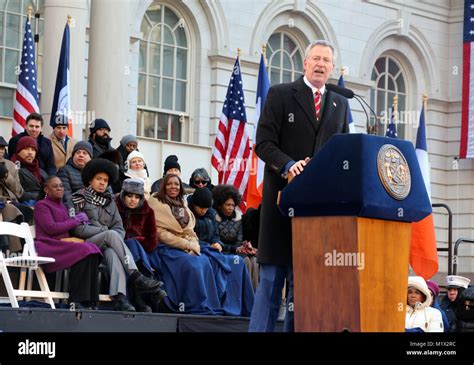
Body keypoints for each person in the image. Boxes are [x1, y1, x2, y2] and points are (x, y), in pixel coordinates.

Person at [250, 40, 350, 332]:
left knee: (303, 290)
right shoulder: (280, 95)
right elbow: (264, 143)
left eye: (326, 60)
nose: (320, 64)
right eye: (316, 58)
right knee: (270, 282)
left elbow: (342, 152)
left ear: (331, 68)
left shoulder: (340, 103)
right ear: (305, 63)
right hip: (281, 204)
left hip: (316, 212)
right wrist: (288, 164)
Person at [148, 174, 254, 316]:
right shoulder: (155, 204)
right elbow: (161, 233)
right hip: (167, 247)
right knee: (197, 263)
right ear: (164, 187)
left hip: (191, 245)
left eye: (177, 184)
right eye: (169, 184)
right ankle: (200, 305)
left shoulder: (182, 204)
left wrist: (193, 244)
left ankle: (238, 307)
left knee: (233, 261)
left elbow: (190, 231)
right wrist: (187, 245)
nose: (173, 187)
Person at [70, 158, 163, 312]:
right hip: (85, 242)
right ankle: (135, 276)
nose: (102, 183)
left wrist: (111, 236)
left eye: (105, 180)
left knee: (113, 252)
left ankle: (119, 298)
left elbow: (119, 227)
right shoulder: (78, 198)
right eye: (98, 179)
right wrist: (104, 232)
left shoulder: (109, 201)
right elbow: (77, 229)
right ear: (90, 180)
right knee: (111, 235)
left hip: (106, 243)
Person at [33, 176, 102, 309]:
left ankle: (91, 300)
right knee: (85, 250)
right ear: (46, 189)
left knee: (92, 249)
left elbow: (66, 229)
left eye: (61, 186)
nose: (59, 188)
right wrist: (76, 220)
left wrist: (72, 236)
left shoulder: (64, 206)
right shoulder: (41, 205)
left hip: (62, 244)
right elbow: (51, 228)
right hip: (48, 244)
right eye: (55, 186)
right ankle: (77, 299)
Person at [116, 178, 167, 312]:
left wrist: (137, 240)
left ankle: (137, 298)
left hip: (141, 252)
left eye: (137, 197)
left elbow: (152, 241)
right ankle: (148, 288)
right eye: (129, 196)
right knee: (131, 245)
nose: (133, 200)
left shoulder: (148, 211)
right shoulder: (115, 206)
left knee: (133, 245)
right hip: (116, 247)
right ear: (123, 195)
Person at [212, 184, 259, 290]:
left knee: (254, 261)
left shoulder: (238, 218)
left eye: (233, 205)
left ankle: (255, 296)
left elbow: (239, 241)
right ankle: (244, 294)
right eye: (227, 205)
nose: (231, 208)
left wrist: (245, 247)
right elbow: (216, 241)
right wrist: (236, 249)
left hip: (236, 251)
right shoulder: (214, 218)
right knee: (245, 260)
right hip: (221, 253)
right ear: (219, 205)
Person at [11, 136, 47, 203]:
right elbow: (18, 193)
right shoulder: (13, 169)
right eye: (26, 149)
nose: (30, 152)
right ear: (19, 151)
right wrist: (42, 196)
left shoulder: (41, 171)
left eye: (33, 149)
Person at [57, 141, 93, 209]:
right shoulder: (64, 171)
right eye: (78, 152)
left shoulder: (95, 172)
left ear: (90, 158)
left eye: (85, 153)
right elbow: (66, 196)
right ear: (73, 156)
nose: (81, 155)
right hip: (75, 209)